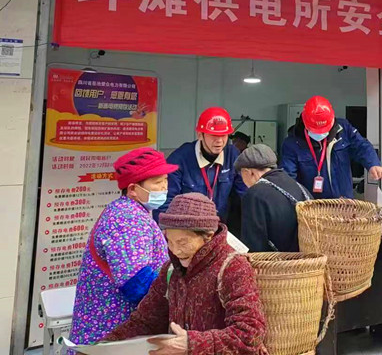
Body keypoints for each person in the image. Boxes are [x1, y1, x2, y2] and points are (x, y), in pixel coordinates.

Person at [104, 193, 266, 355]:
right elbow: (145, 321)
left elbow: (250, 333)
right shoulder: (170, 269)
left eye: (182, 242)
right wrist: (105, 346)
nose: (176, 250)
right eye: (170, 241)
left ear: (208, 236)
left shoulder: (233, 267)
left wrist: (192, 344)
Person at [70, 148, 177, 347]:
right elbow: (136, 283)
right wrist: (180, 292)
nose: (164, 187)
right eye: (157, 183)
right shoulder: (126, 219)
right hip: (113, 329)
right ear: (133, 189)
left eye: (165, 180)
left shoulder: (134, 210)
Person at [282, 95, 382, 198]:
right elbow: (288, 177)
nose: (320, 134)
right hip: (310, 204)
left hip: (343, 202)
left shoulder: (344, 129)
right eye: (316, 130)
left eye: (324, 129)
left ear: (332, 120)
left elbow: (361, 146)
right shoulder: (292, 143)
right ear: (305, 122)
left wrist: (373, 163)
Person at [158, 107, 247, 223]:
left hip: (221, 225)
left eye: (224, 135)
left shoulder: (232, 155)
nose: (219, 141)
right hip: (188, 227)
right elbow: (166, 204)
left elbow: (244, 193)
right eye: (214, 135)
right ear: (200, 135)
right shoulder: (179, 160)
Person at [236, 143, 311, 252]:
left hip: (275, 262)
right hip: (308, 259)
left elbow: (253, 244)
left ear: (248, 172)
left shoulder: (254, 195)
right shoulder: (300, 187)